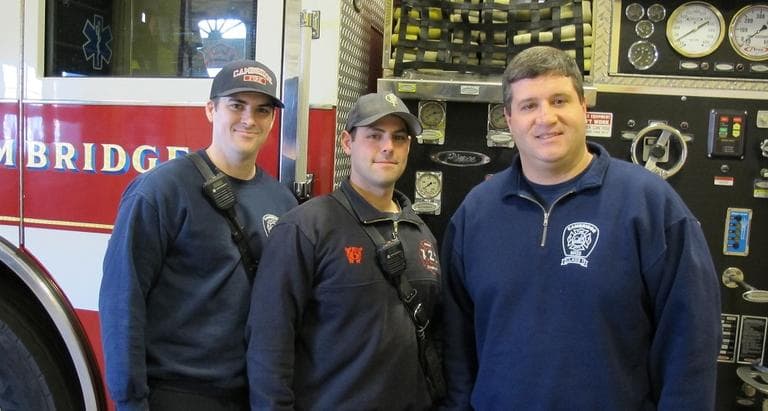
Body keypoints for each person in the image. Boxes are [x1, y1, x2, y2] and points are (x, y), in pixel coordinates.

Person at [440, 46, 721, 410]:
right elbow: (455, 343)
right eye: (529, 106)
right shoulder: (476, 212)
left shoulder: (650, 205)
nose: (546, 118)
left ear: (584, 108)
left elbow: (692, 343)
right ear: (508, 119)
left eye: (559, 100)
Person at [99, 59, 298, 411]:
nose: (249, 120)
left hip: (250, 393)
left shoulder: (281, 199)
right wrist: (131, 401)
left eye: (262, 110)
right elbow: (122, 302)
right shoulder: (161, 190)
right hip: (178, 393)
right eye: (236, 106)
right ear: (211, 109)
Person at [245, 92, 442, 410]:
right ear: (347, 142)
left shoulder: (421, 233)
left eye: (399, 137)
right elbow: (269, 341)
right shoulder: (307, 227)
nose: (388, 146)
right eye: (374, 135)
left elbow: (436, 334)